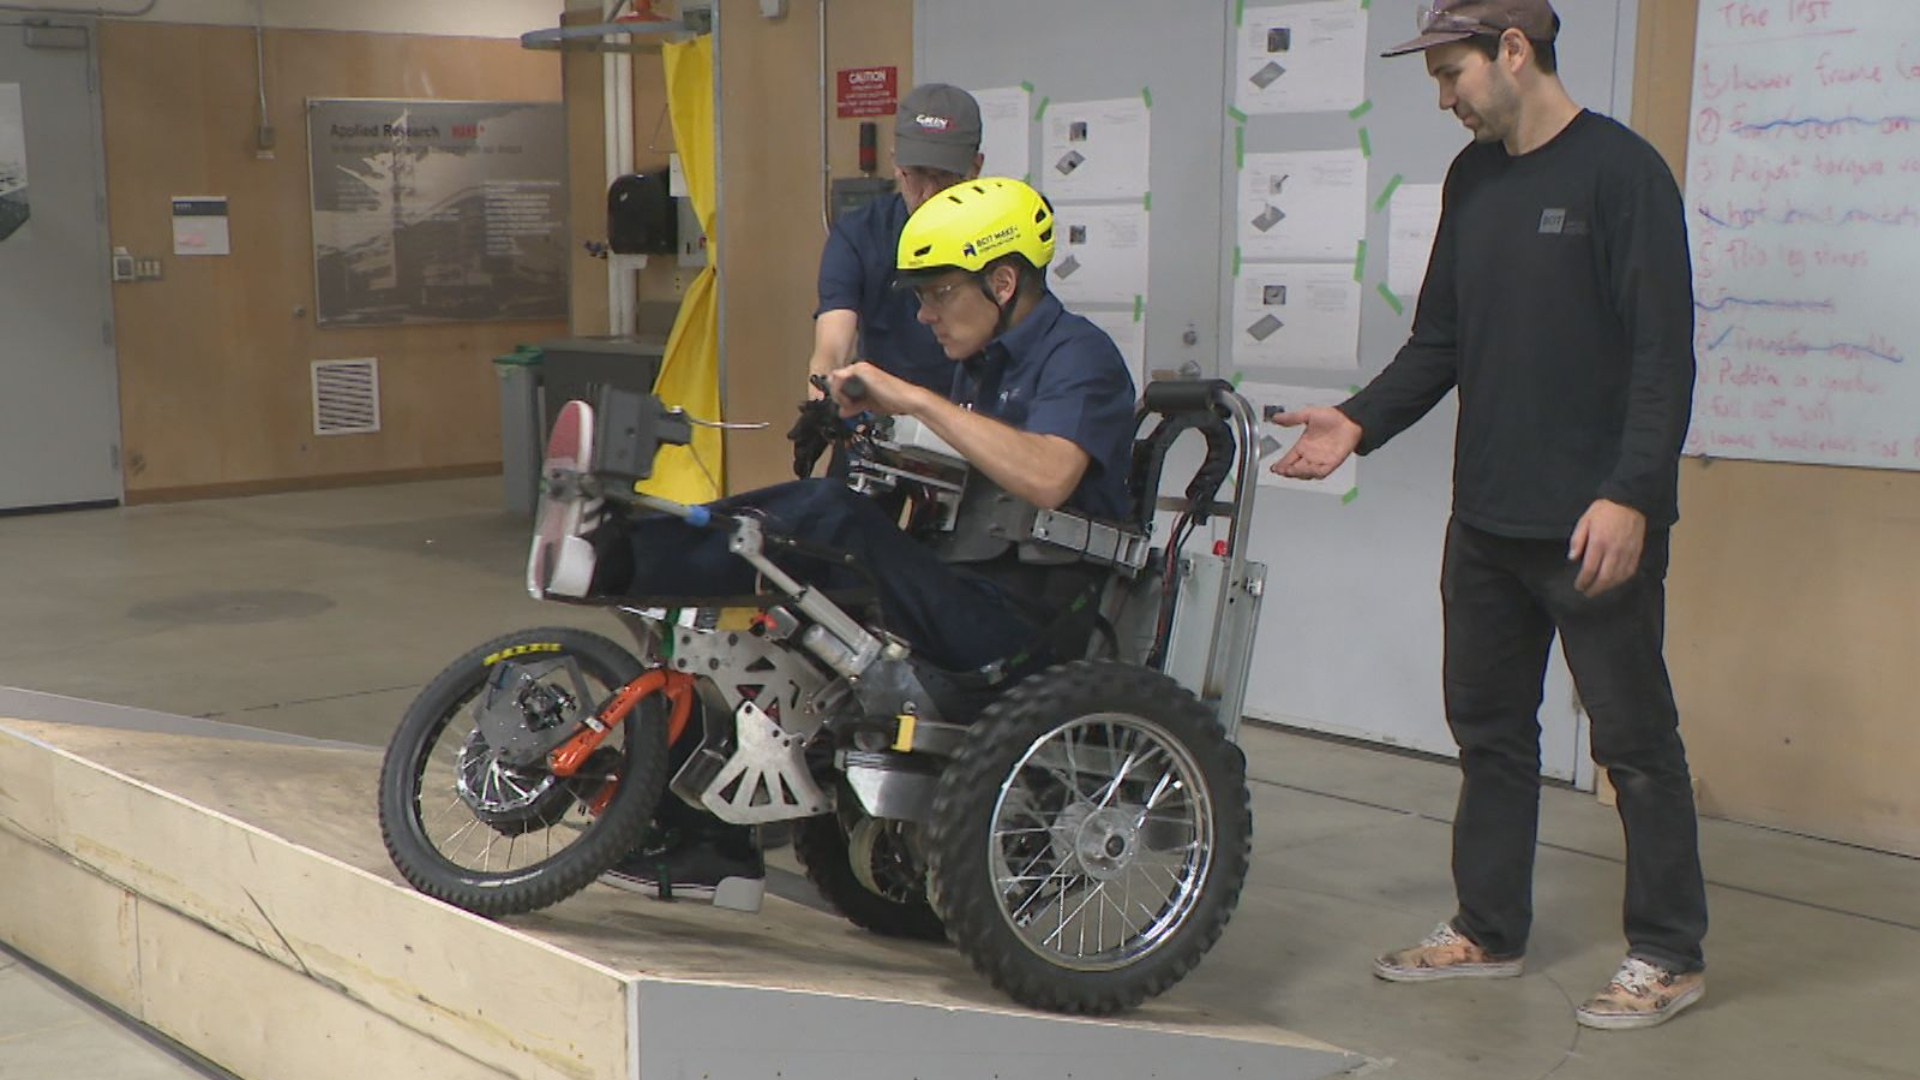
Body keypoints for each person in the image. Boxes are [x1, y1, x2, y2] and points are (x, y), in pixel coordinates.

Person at [1268, 0, 1708, 1031]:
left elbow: (1663, 356)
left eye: (1452, 72)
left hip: (1594, 524)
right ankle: (1488, 928)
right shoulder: (1474, 181)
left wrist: (1631, 493)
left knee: (1636, 747)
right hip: (1489, 522)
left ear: (1515, 52)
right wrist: (1358, 424)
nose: (1443, 96)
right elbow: (1441, 341)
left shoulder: (1623, 175)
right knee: (1492, 735)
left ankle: (1668, 952)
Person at [529, 177, 1136, 903]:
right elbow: (973, 465)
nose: (924, 313)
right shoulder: (983, 366)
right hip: (967, 588)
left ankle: (614, 553)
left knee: (832, 519)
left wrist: (912, 395)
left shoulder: (1080, 357)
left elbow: (1047, 474)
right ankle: (703, 840)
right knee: (784, 610)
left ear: (1003, 281)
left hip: (1022, 623)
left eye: (939, 292)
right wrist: (869, 428)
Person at [806, 83, 985, 403]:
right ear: (895, 163)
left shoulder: (1000, 235)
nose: (928, 193)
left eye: (943, 176)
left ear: (974, 168)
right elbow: (832, 346)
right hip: (881, 419)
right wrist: (825, 398)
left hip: (976, 422)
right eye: (915, 174)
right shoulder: (859, 234)